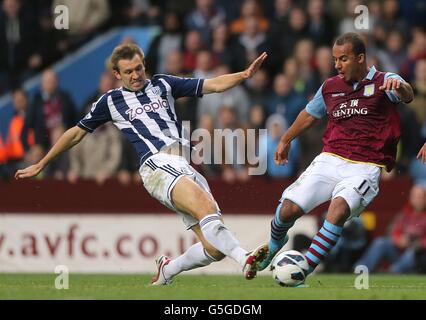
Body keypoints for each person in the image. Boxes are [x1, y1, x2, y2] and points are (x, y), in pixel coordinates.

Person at [15, 43, 268, 284]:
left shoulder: (163, 84)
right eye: (128, 72)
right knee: (205, 208)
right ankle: (245, 258)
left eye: (138, 69)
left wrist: (244, 74)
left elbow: (212, 85)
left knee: (214, 249)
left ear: (143, 65)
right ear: (117, 73)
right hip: (156, 165)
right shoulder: (110, 101)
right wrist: (43, 162)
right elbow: (76, 132)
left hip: (183, 164)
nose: (135, 75)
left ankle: (169, 269)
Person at [250, 32, 415, 278]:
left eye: (343, 59)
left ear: (360, 58)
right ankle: (273, 247)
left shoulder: (383, 80)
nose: (337, 65)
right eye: (335, 59)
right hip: (329, 159)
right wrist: (285, 139)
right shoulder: (329, 87)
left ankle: (303, 269)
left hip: (365, 166)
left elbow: (408, 94)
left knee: (337, 210)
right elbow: (310, 114)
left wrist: (400, 86)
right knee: (287, 210)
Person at [354, 183, 426, 273]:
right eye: (414, 196)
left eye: (420, 197)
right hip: (400, 251)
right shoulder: (405, 213)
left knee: (412, 252)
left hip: (417, 255)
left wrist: (417, 243)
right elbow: (393, 231)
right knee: (380, 242)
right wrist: (399, 239)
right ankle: (361, 269)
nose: (417, 200)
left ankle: (392, 271)